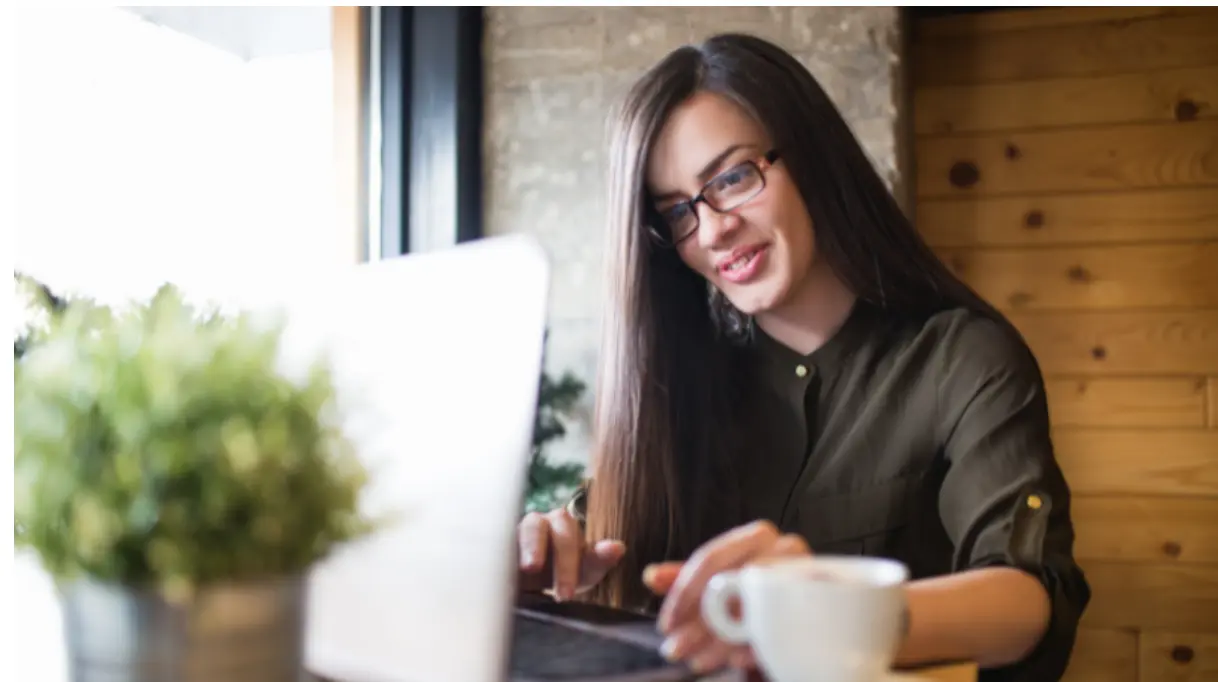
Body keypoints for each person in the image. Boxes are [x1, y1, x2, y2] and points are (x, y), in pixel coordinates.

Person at [516, 32, 1089, 681]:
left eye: (732, 177)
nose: (711, 231)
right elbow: (584, 527)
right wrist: (548, 544)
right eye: (676, 212)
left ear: (812, 158)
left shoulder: (963, 360)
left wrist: (828, 614)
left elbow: (1031, 597)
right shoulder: (678, 385)